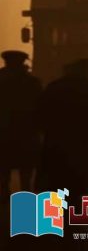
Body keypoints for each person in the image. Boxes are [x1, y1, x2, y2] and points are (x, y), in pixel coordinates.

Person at [36, 59, 88, 203]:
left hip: (57, 134)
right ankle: (75, 200)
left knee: (57, 171)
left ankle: (58, 202)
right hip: (82, 135)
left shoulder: (55, 86)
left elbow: (42, 108)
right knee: (79, 170)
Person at [0, 50, 42, 198]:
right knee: (26, 165)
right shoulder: (32, 82)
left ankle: (4, 191)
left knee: (3, 165)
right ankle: (25, 192)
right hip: (26, 130)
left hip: (4, 130)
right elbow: (40, 106)